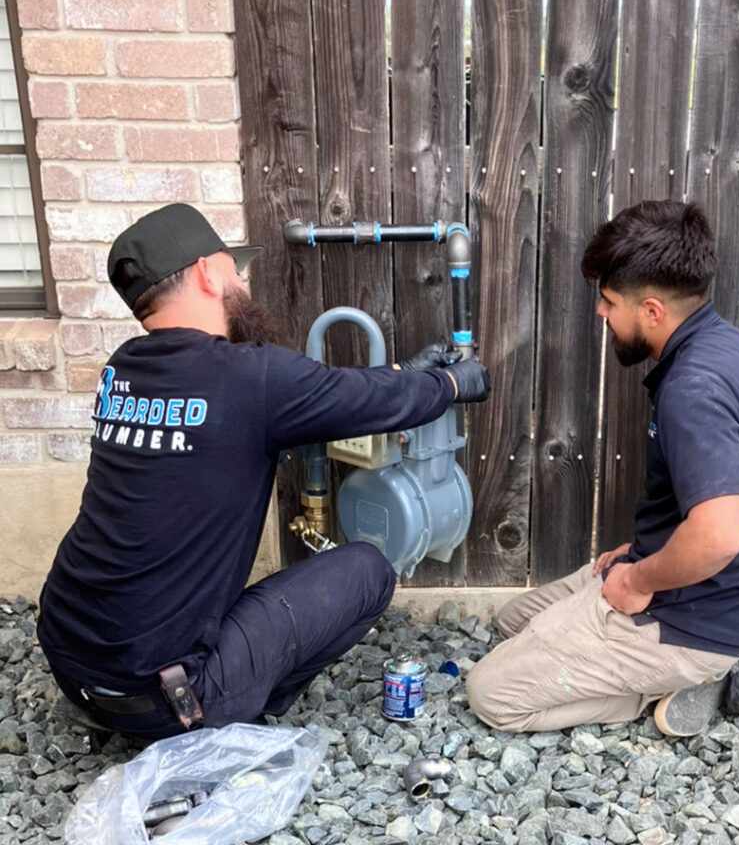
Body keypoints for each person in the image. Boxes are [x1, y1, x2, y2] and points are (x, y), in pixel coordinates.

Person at [37, 203, 490, 740]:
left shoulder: (122, 371)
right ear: (208, 272)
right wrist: (454, 383)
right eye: (235, 269)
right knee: (368, 570)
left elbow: (327, 397)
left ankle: (185, 698)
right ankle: (236, 710)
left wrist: (397, 372)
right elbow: (342, 398)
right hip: (170, 699)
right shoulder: (251, 377)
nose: (242, 282)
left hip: (71, 661)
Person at [467, 199, 739, 736]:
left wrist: (639, 579)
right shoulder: (732, 349)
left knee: (492, 694)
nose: (600, 312)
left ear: (652, 312)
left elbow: (718, 535)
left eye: (608, 301)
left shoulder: (695, 388)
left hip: (687, 618)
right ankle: (674, 663)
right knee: (512, 624)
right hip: (692, 586)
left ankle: (685, 678)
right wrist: (645, 553)